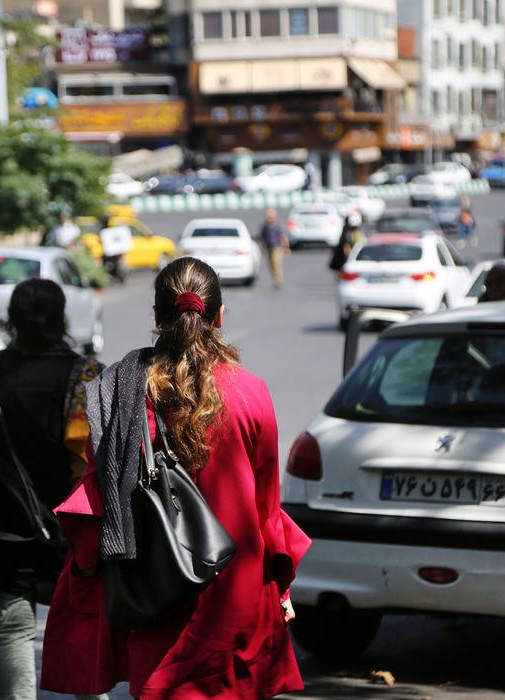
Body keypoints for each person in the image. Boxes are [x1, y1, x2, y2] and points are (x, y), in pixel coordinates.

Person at [40, 257, 311, 699]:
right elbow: (267, 511)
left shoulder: (120, 392)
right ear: (219, 315)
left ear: (157, 317)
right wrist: (281, 586)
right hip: (234, 601)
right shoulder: (251, 392)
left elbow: (97, 497)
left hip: (155, 600)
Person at [0, 278, 106, 700]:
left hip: (1, 529)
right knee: (83, 630)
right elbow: (100, 461)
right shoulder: (87, 377)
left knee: (11, 630)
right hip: (75, 535)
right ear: (61, 319)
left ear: (12, 321)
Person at [258, 207, 291, 288]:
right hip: (268, 248)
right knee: (271, 264)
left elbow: (283, 237)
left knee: (276, 264)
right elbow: (262, 237)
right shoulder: (265, 226)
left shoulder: (277, 226)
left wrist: (286, 248)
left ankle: (278, 281)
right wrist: (261, 248)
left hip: (277, 248)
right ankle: (275, 279)